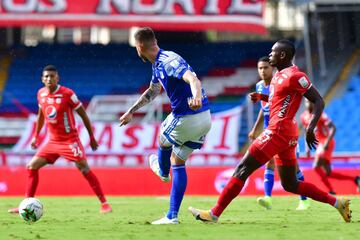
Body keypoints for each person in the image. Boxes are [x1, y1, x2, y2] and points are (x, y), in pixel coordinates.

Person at [188, 39, 352, 223]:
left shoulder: (295, 75)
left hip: (278, 130)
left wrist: (311, 128)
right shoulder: (277, 76)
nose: (270, 54)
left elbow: (318, 100)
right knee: (290, 184)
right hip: (285, 133)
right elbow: (281, 100)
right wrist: (262, 97)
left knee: (242, 168)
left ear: (283, 55)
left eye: (273, 52)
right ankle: (338, 203)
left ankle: (214, 214)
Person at [119, 27, 211, 225]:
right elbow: (152, 91)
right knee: (178, 162)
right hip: (204, 119)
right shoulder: (157, 65)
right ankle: (172, 216)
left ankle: (162, 171)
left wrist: (195, 97)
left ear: (140, 46)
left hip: (188, 115)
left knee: (162, 137)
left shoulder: (168, 61)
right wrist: (132, 111)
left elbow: (193, 79)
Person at [8, 65, 112, 214]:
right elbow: (41, 115)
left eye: (52, 76)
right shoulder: (41, 94)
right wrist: (36, 136)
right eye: (46, 76)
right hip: (52, 142)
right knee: (31, 166)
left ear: (58, 78)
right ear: (42, 79)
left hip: (70, 141)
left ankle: (105, 204)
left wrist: (92, 137)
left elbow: (83, 115)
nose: (49, 79)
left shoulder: (67, 94)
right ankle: (25, 204)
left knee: (84, 169)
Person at [249, 57, 310, 210]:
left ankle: (304, 199)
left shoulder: (280, 82)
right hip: (269, 129)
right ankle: (268, 198)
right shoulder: (259, 86)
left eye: (265, 68)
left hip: (283, 130)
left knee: (293, 167)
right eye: (260, 68)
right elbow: (264, 109)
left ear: (273, 69)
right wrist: (255, 129)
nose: (263, 71)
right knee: (269, 161)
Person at [301, 99, 360, 194]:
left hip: (326, 142)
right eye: (307, 102)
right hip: (320, 144)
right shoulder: (303, 116)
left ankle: (331, 191)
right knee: (328, 173)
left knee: (316, 166)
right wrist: (307, 148)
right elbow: (306, 132)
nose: (309, 104)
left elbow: (333, 127)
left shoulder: (319, 114)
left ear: (313, 102)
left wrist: (327, 142)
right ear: (304, 103)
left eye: (310, 102)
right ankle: (355, 179)